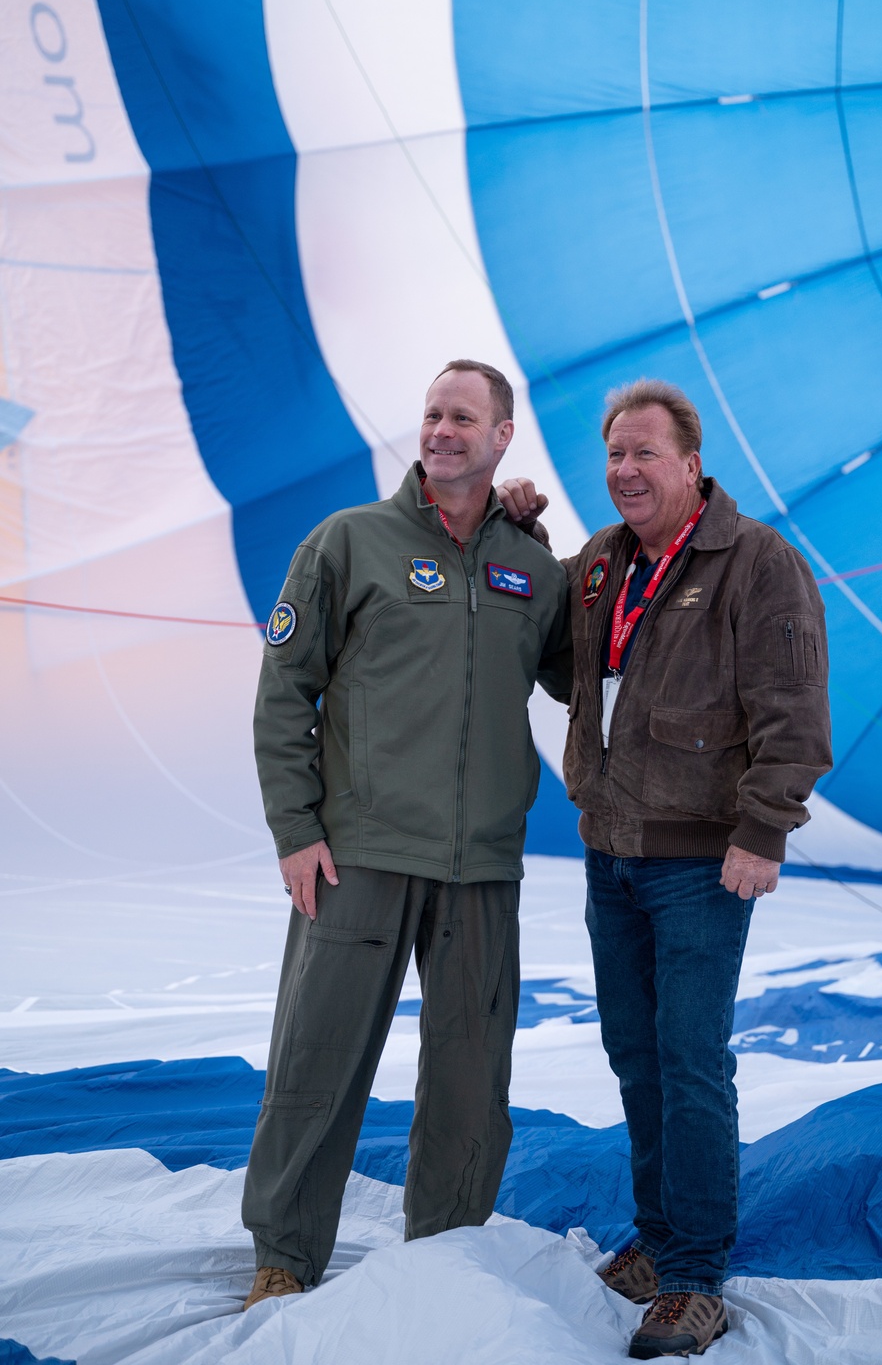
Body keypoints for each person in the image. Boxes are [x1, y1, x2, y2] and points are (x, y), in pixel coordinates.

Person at [498, 380, 831, 1358]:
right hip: (614, 855)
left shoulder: (756, 562)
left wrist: (762, 832)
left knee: (690, 1062)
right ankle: (656, 1237)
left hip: (701, 865)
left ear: (691, 462)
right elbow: (560, 661)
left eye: (644, 453)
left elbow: (794, 710)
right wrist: (523, 536)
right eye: (613, 456)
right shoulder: (601, 563)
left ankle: (694, 1277)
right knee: (635, 1055)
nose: (625, 471)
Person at [241, 359, 571, 1309]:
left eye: (464, 417)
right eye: (433, 413)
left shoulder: (533, 568)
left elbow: (573, 672)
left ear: (503, 435)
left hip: (482, 867)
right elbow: (283, 692)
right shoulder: (349, 542)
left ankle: (448, 1251)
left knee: (473, 1074)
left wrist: (546, 543)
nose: (442, 429)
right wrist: (296, 828)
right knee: (319, 1058)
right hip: (359, 854)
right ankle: (285, 1255)